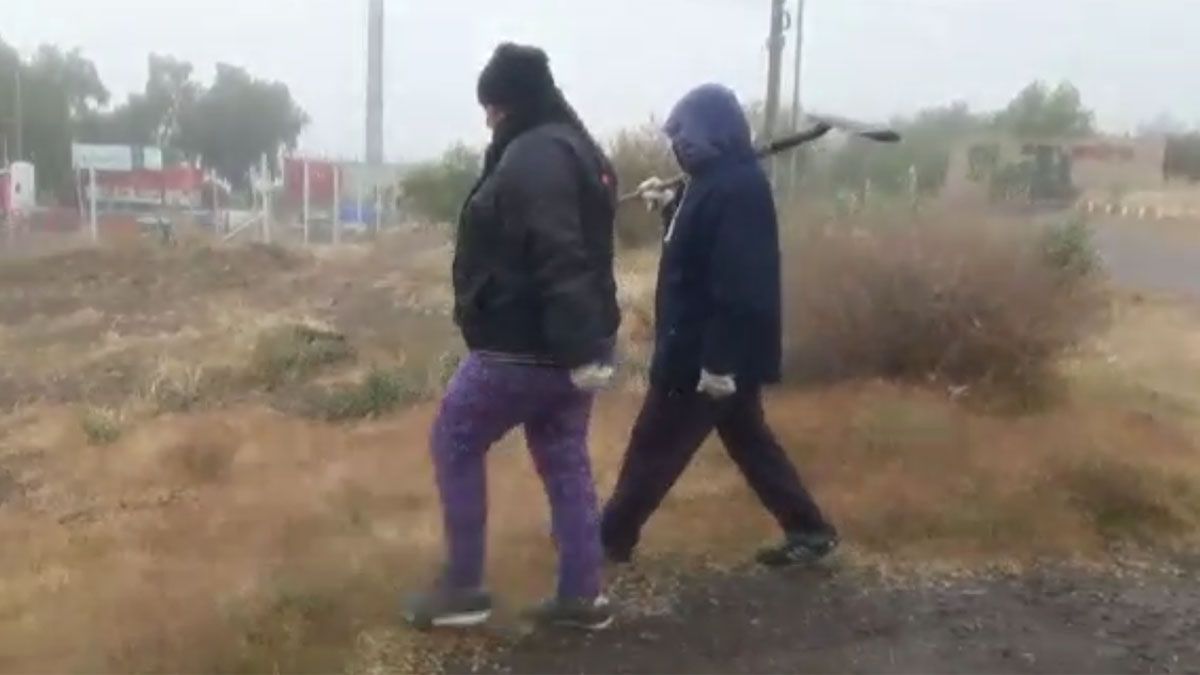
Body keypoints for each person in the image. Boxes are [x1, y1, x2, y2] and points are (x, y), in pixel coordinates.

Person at [405, 43, 620, 631]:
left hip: (525, 343)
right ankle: (583, 595)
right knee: (563, 455)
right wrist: (588, 346)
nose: (488, 117)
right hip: (568, 343)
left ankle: (464, 588)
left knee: (455, 438)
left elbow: (560, 251)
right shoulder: (574, 146)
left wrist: (577, 344)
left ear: (511, 102)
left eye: (492, 105)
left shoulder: (534, 156)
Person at [600, 83, 839, 568]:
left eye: (689, 135)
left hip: (704, 352)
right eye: (676, 137)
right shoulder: (710, 182)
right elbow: (696, 241)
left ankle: (608, 539)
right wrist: (667, 206)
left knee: (654, 445)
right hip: (701, 347)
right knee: (751, 442)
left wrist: (720, 362)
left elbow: (740, 282)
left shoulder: (739, 188)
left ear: (718, 133)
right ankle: (809, 531)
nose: (680, 145)